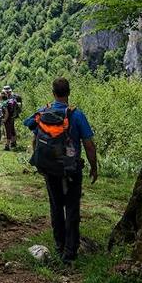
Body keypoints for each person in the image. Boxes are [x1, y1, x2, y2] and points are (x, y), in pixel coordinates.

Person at [25, 77, 97, 264]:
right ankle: (70, 252)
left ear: (53, 93)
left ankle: (59, 245)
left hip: (50, 168)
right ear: (69, 92)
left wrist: (40, 162)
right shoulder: (77, 115)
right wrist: (94, 167)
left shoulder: (43, 112)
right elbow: (89, 145)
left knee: (56, 206)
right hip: (71, 169)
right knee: (72, 208)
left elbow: (35, 139)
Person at [2, 86, 21, 150]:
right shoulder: (14, 98)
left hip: (8, 117)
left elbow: (7, 112)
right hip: (12, 116)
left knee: (8, 130)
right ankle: (14, 142)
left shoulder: (6, 101)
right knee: (12, 129)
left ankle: (7, 145)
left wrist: (4, 119)